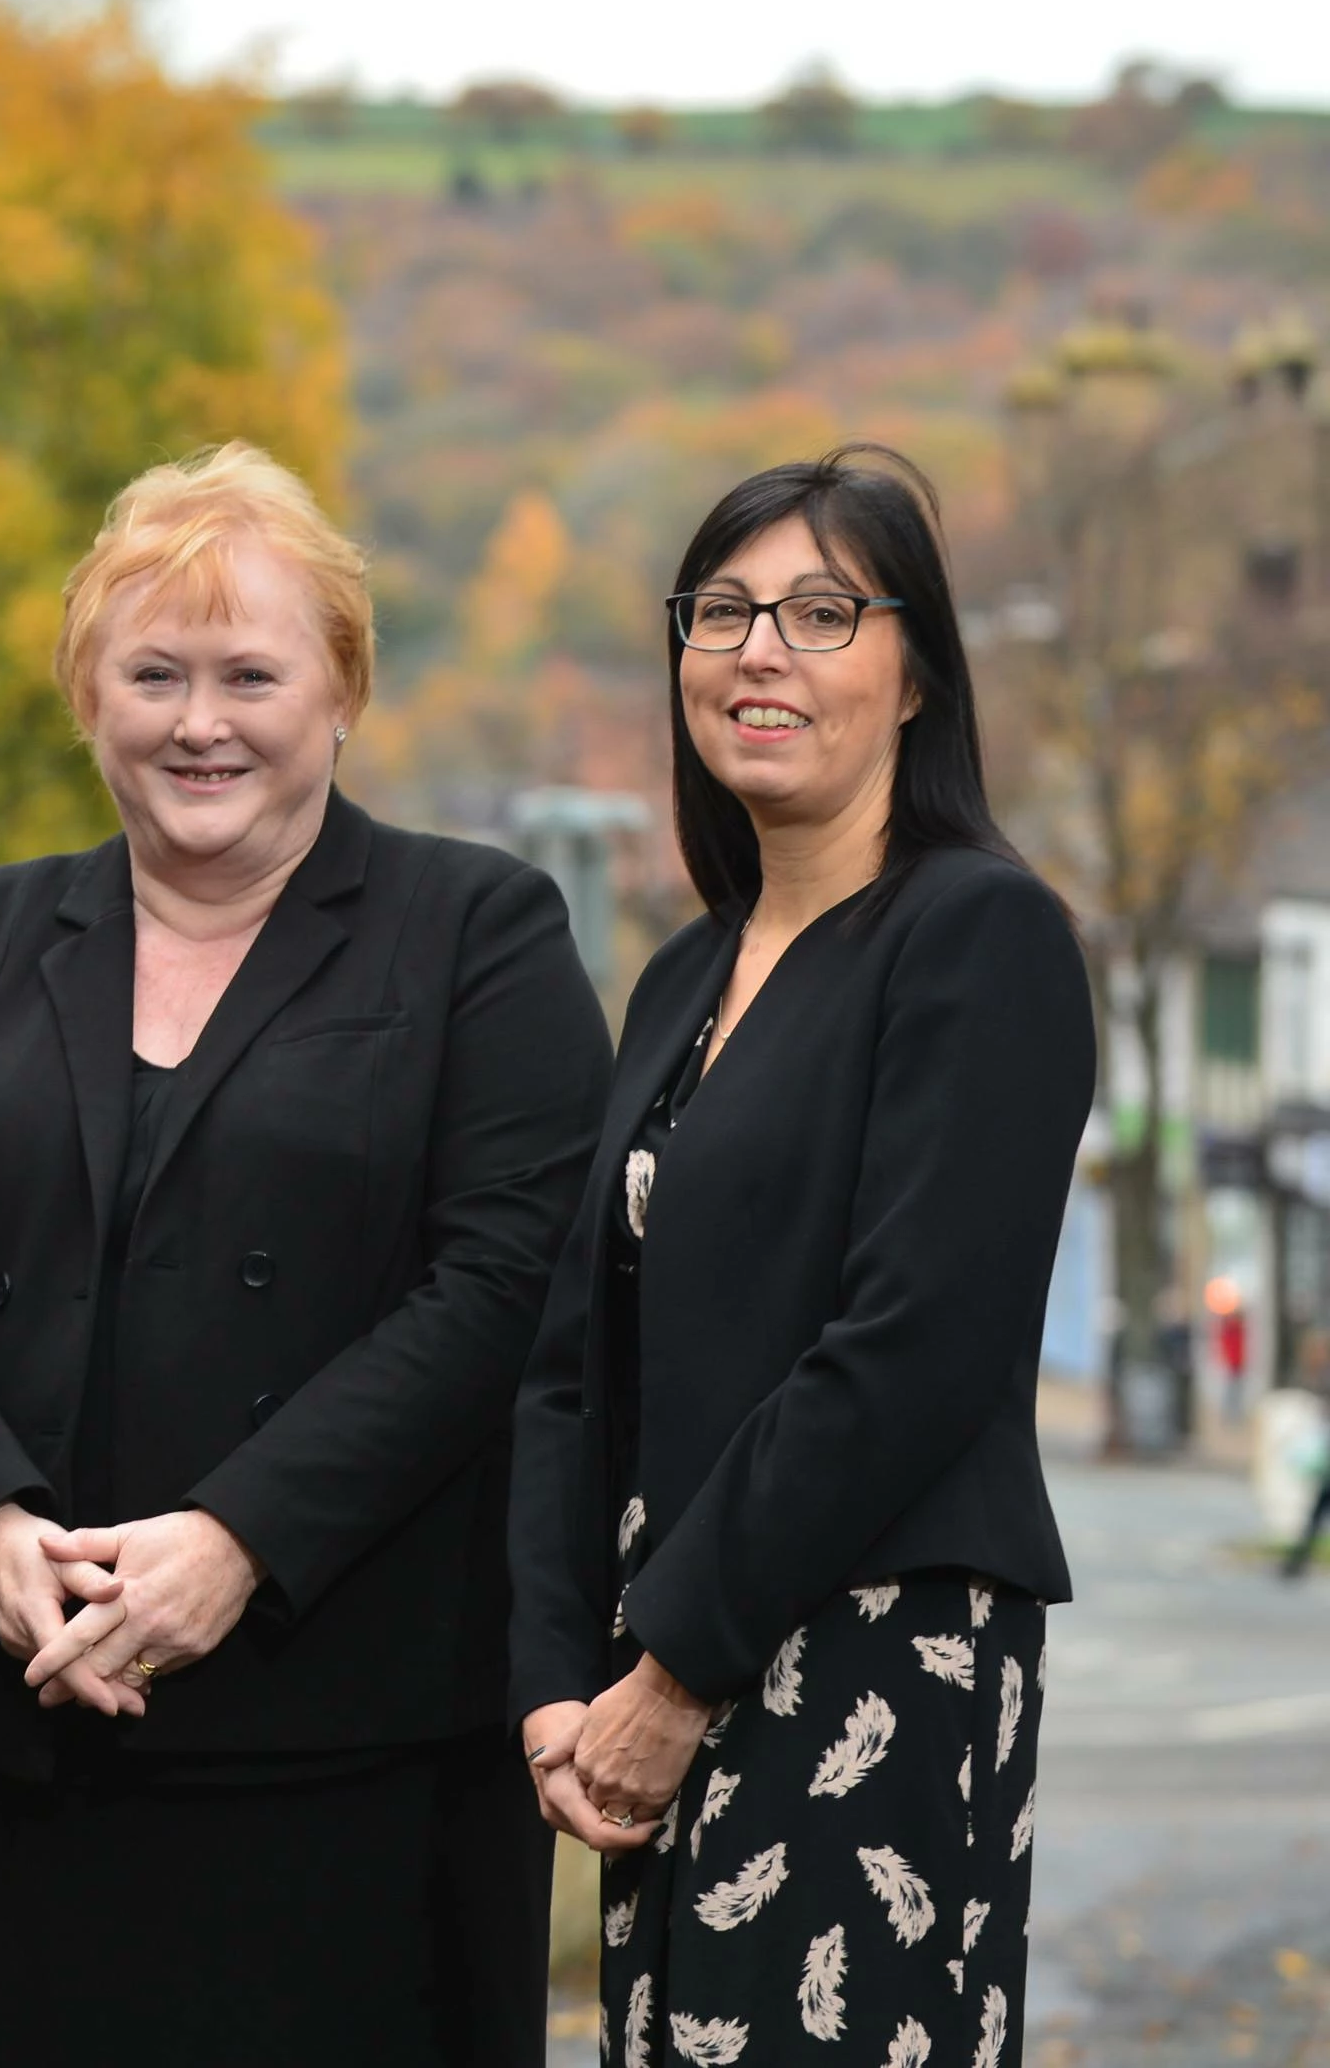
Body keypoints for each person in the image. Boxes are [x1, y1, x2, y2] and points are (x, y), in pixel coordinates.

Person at [0, 441, 612, 2065]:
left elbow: (506, 1282)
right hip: (33, 1721)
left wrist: (238, 1537)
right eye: (152, 672)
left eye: (252, 672)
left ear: (342, 694)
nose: (199, 720)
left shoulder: (477, 931)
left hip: (362, 1728)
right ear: (87, 696)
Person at [509, 447, 1094, 2064]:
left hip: (868, 1658)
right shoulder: (678, 981)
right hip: (652, 1677)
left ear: (917, 676)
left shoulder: (981, 938)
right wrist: (559, 1677)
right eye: (723, 611)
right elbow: (570, 1367)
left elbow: (911, 1348)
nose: (761, 650)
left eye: (824, 611)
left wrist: (675, 1668)